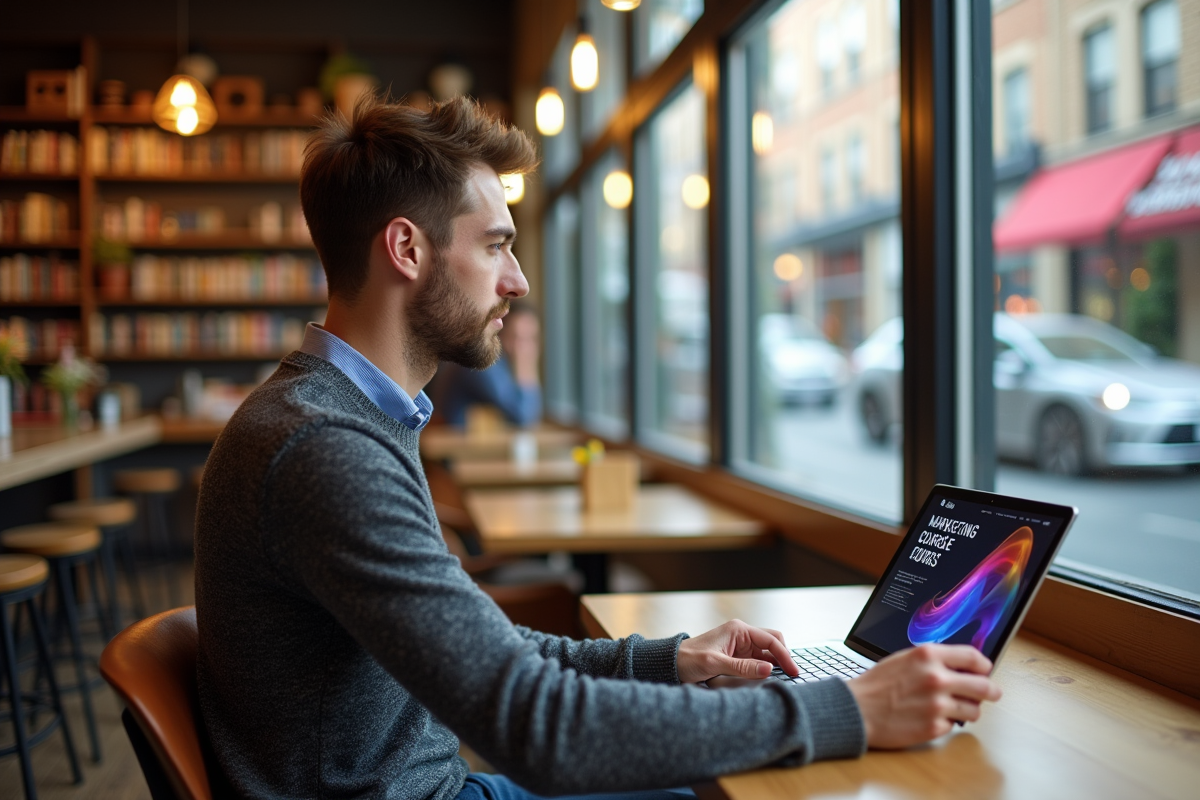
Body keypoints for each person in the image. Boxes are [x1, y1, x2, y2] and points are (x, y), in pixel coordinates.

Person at [194, 95, 1002, 800]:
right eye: (496, 244)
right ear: (407, 250)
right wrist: (853, 709)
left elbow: (489, 647)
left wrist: (670, 661)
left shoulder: (346, 417)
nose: (518, 281)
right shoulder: (325, 447)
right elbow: (535, 729)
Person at [435, 301, 541, 428]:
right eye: (515, 337)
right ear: (500, 334)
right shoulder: (483, 362)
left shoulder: (504, 366)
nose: (523, 348)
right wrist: (526, 369)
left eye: (530, 339)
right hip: (452, 443)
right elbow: (524, 417)